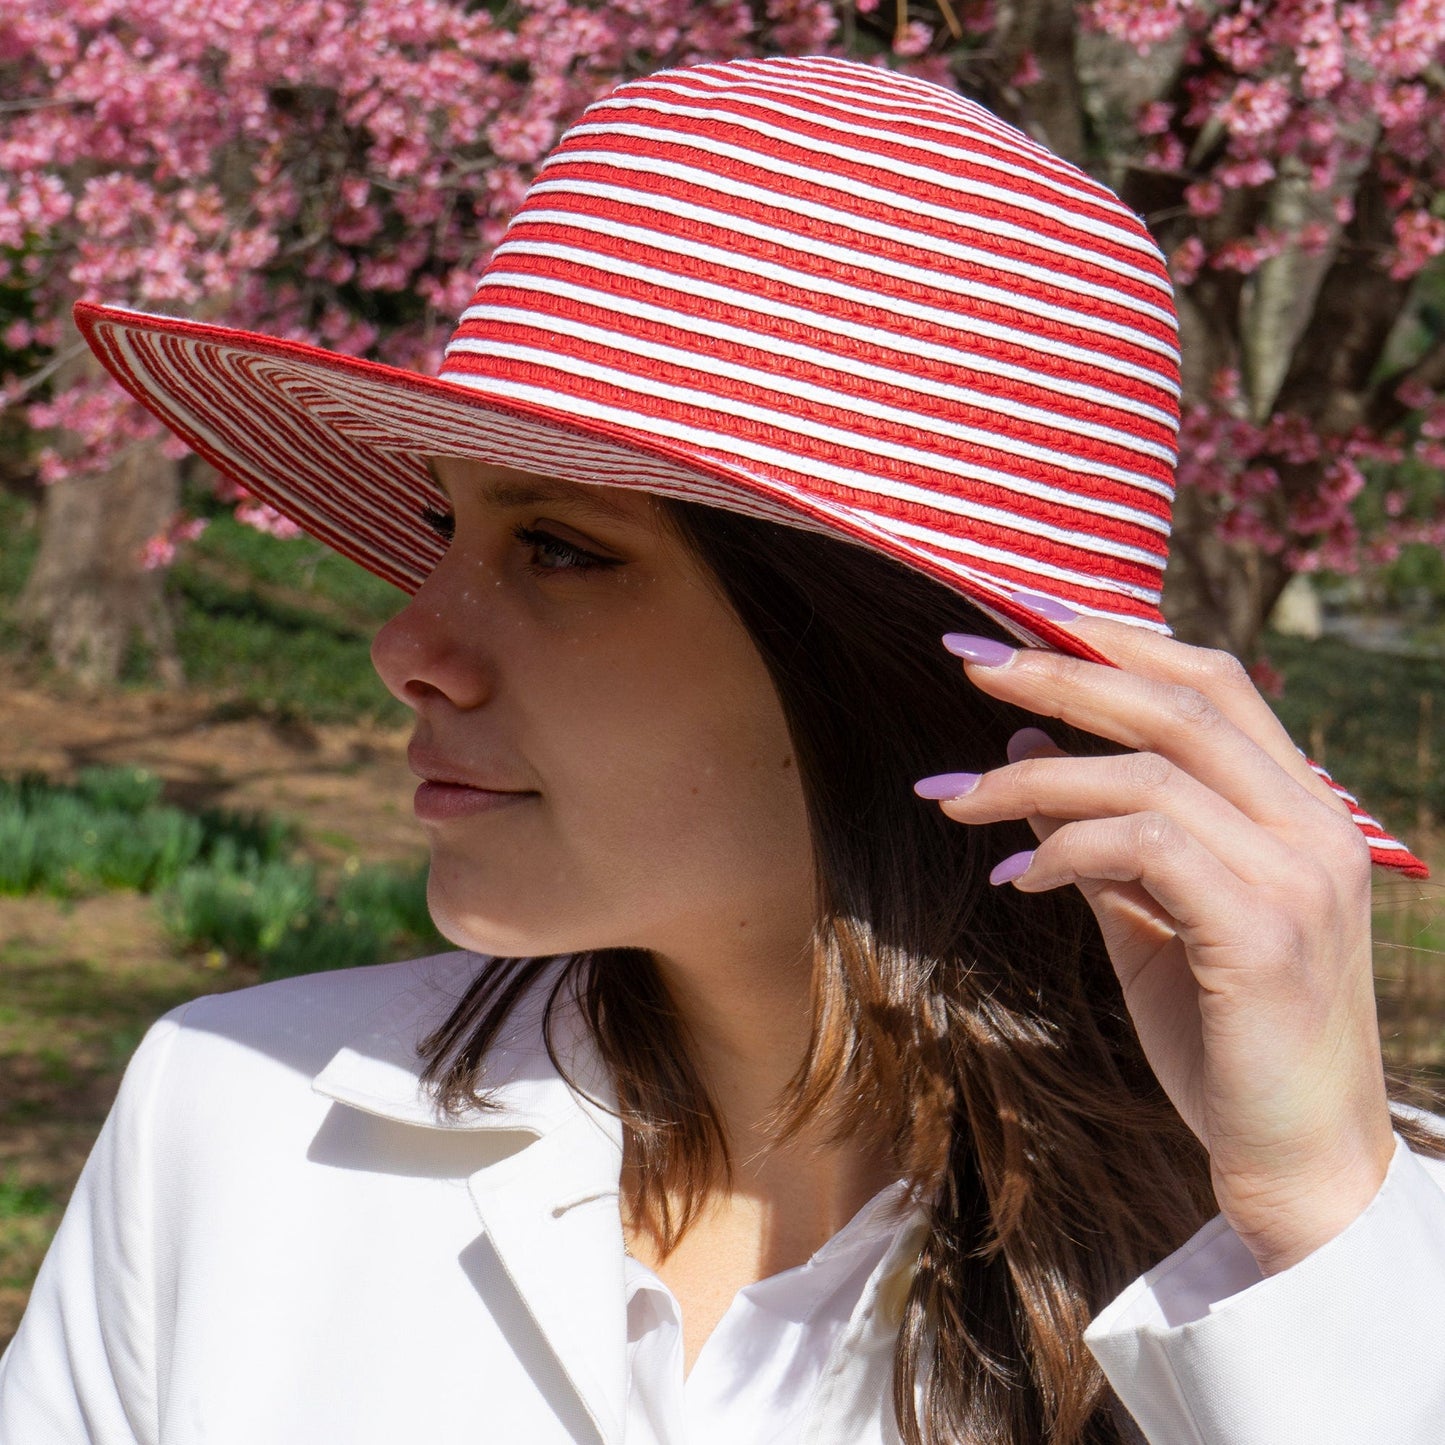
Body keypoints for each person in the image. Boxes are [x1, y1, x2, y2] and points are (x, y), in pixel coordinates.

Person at [2, 53, 1443, 1445]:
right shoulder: (232, 1126)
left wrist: (1317, 1222)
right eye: (447, 525)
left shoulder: (1335, 1262)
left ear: (892, 659)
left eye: (560, 549)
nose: (405, 645)